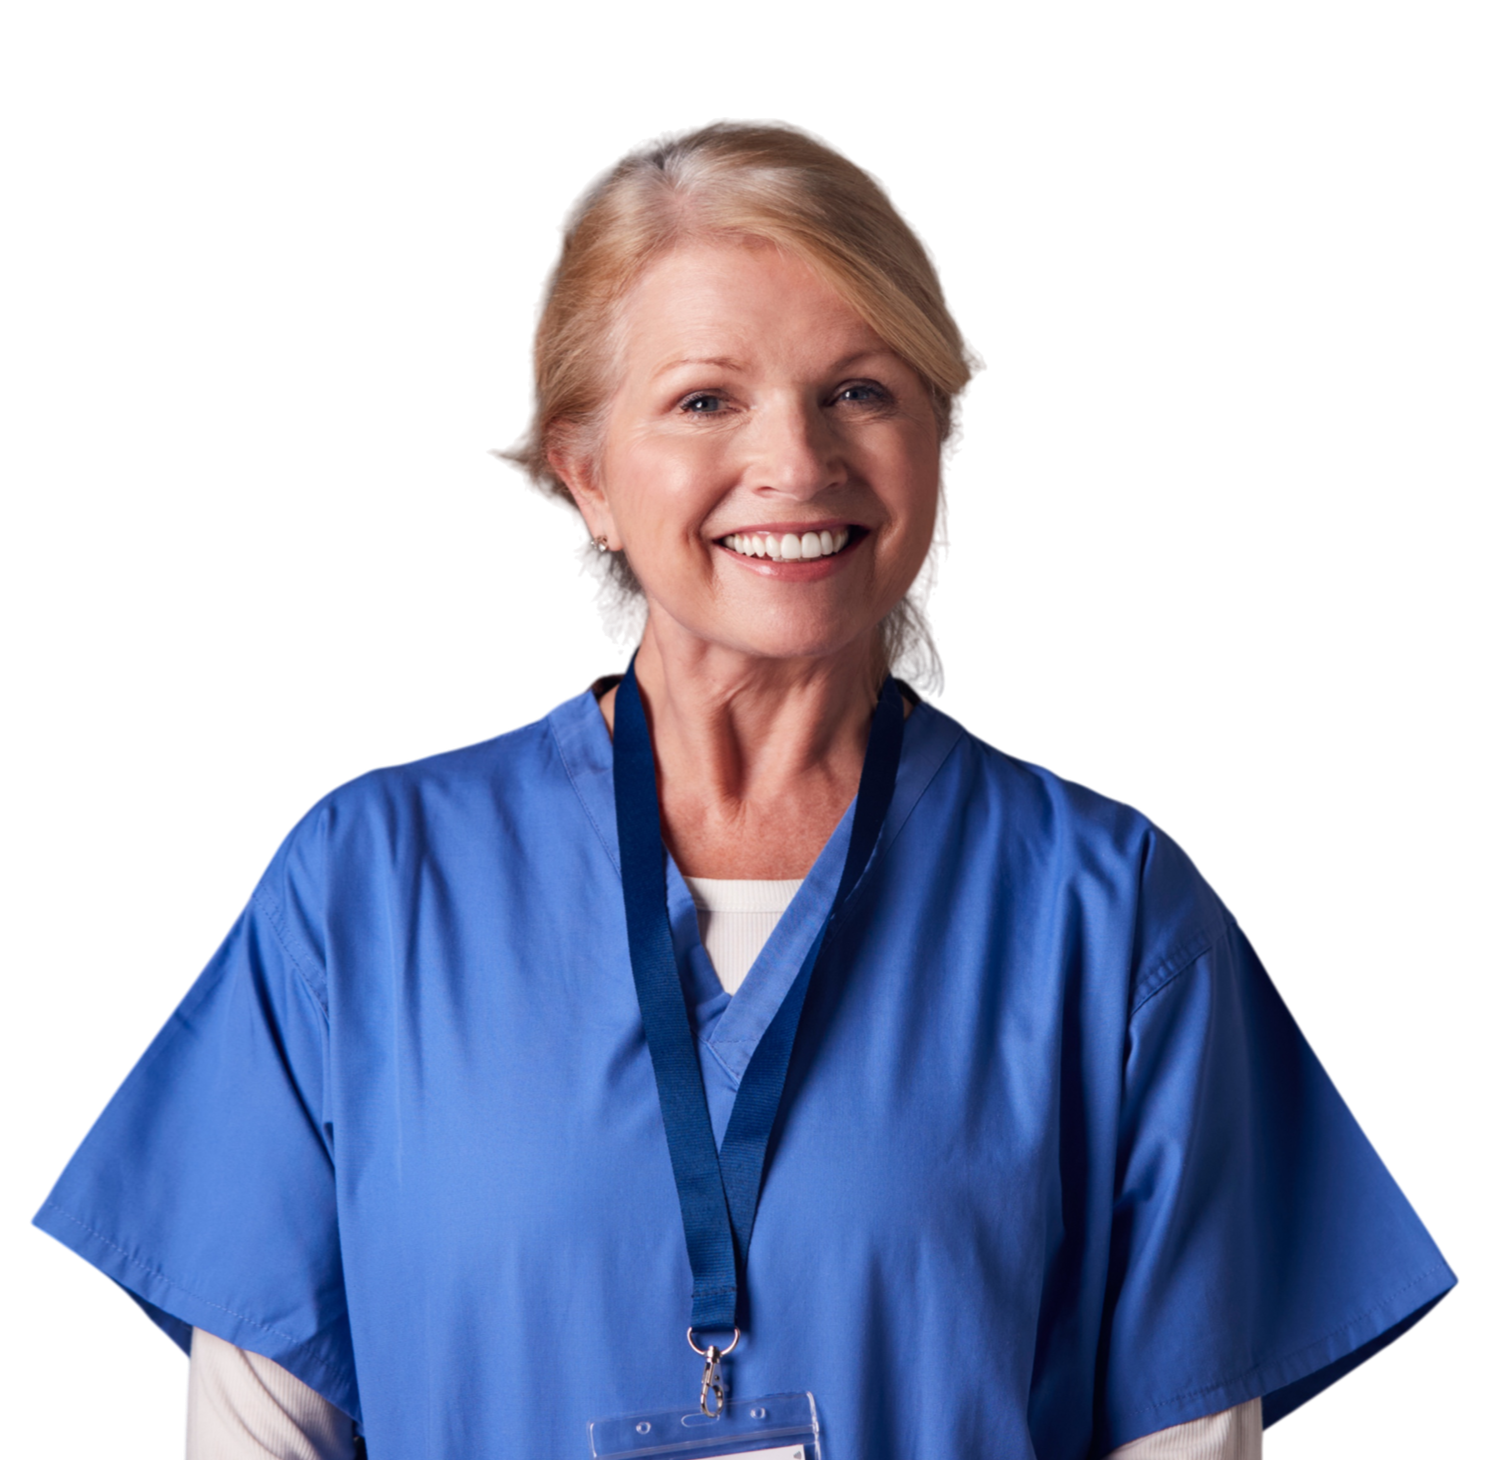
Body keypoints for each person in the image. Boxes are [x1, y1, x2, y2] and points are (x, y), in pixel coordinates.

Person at [30, 119, 1456, 1460]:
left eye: (860, 390)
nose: (796, 462)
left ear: (940, 442)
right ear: (583, 475)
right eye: (706, 398)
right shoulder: (368, 887)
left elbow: (1187, 1438)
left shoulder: (1108, 912)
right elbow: (257, 1430)